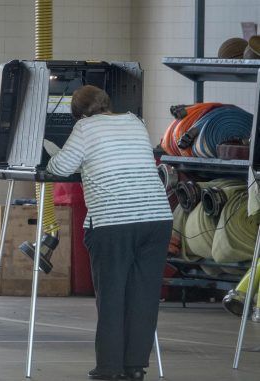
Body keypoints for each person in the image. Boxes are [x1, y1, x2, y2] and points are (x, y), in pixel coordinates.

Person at [45, 85, 173, 381]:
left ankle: (109, 368)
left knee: (112, 296)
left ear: (78, 114)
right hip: (156, 218)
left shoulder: (85, 128)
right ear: (107, 104)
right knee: (144, 296)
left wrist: (51, 156)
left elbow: (61, 167)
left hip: (115, 222)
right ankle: (135, 366)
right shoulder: (135, 121)